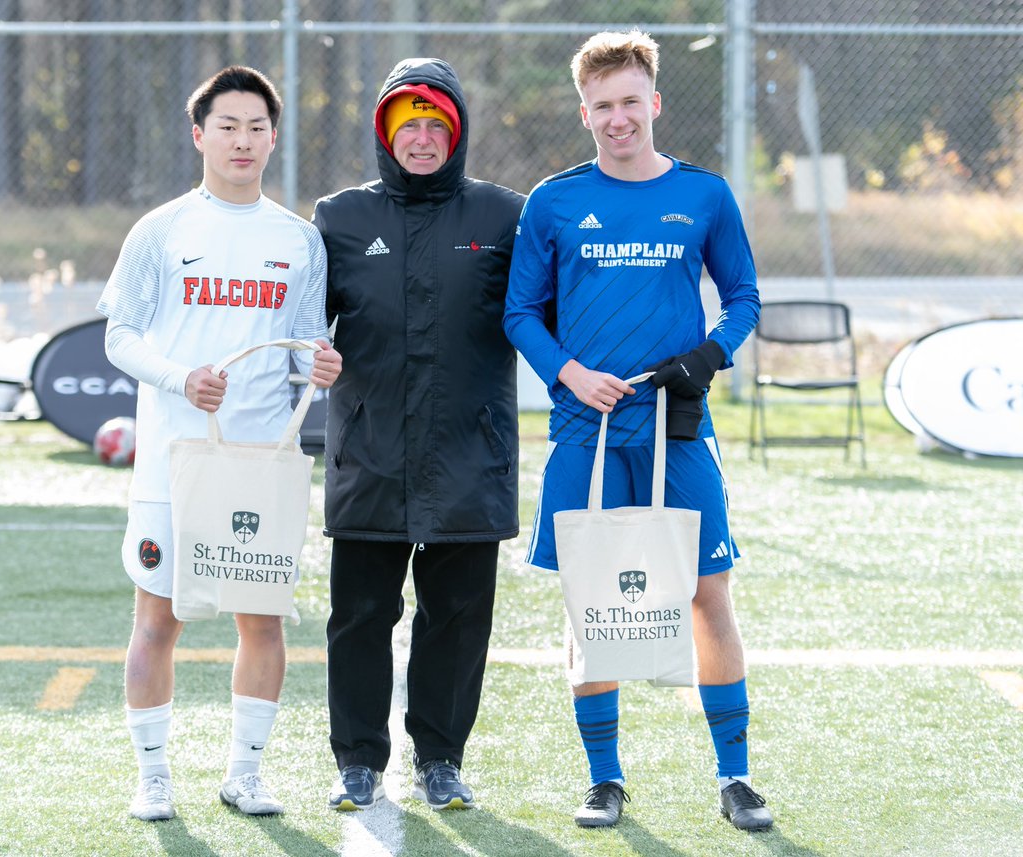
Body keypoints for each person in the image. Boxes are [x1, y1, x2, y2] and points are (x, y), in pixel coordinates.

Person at [503, 31, 774, 832]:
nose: (617, 119)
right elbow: (520, 310)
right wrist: (569, 372)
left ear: (653, 103)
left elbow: (745, 296)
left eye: (630, 102)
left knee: (705, 594)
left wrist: (710, 353)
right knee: (593, 602)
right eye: (601, 107)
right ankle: (604, 778)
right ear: (584, 113)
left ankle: (735, 775)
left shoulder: (706, 195)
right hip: (585, 431)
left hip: (676, 431)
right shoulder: (552, 201)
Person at [96, 65, 342, 822]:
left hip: (260, 467)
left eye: (256, 127)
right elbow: (119, 335)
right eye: (227, 126)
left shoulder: (299, 240)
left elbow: (302, 350)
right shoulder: (162, 229)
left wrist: (321, 364)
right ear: (199, 134)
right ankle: (153, 775)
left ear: (273, 138)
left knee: (260, 620)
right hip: (175, 463)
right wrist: (180, 380)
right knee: (156, 619)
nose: (243, 139)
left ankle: (246, 773)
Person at [312, 58, 524, 812]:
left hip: (473, 450)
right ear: (386, 134)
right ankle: (358, 760)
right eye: (410, 126)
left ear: (458, 133)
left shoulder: (505, 216)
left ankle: (440, 756)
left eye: (438, 125)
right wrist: (314, 354)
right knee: (361, 614)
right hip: (370, 452)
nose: (424, 139)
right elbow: (304, 326)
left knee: (458, 618)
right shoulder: (339, 217)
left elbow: (545, 314)